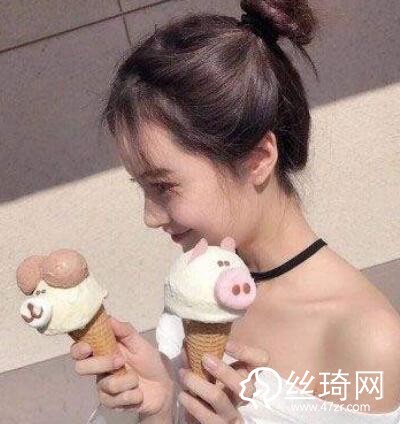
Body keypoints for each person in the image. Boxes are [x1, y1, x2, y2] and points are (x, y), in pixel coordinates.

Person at [70, 0, 400, 422]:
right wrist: (158, 405)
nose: (150, 217)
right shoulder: (200, 288)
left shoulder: (366, 337)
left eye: (164, 186)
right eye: (141, 187)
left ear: (258, 159)